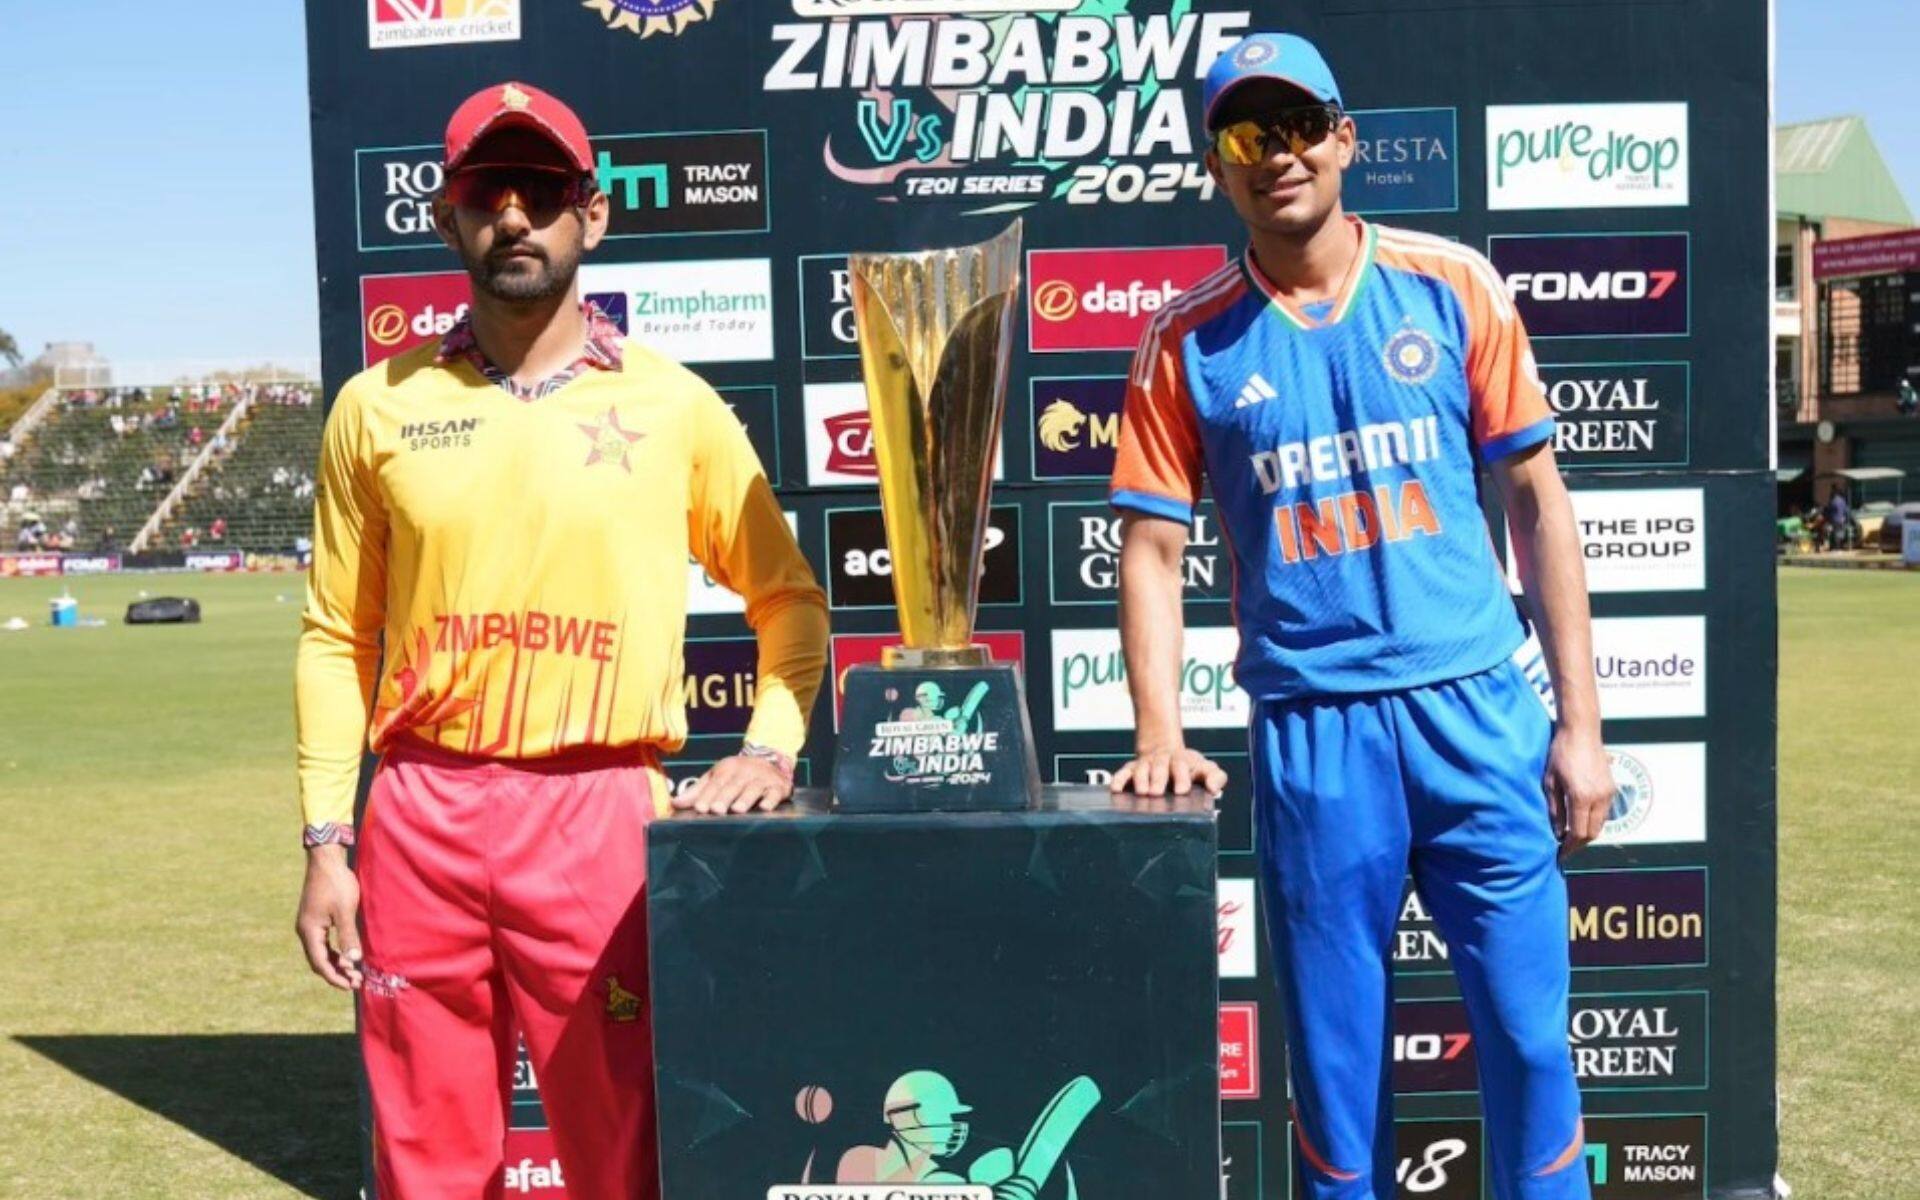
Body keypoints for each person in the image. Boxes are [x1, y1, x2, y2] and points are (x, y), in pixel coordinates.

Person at [292, 80, 829, 1200]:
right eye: (491, 190)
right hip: (421, 818)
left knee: (624, 1156)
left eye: (542, 190)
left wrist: (768, 748)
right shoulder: (374, 407)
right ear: (448, 217)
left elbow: (790, 602)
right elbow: (337, 634)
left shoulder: (673, 403)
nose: (516, 216)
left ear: (594, 213)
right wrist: (325, 839)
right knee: (427, 1167)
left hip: (602, 817)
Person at [1107, 34, 1611, 1199]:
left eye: (1295, 127)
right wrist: (1156, 730)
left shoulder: (1453, 284)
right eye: (1244, 136)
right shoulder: (1185, 340)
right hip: (1317, 734)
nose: (1274, 155)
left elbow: (1538, 505)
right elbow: (1151, 545)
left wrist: (1579, 727)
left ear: (1343, 137)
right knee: (1338, 1076)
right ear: (1217, 166)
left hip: (1479, 713)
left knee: (1535, 1046)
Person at [1824, 486, 1851, 551]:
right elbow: (1846, 510)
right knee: (1840, 533)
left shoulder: (1833, 501)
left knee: (1834, 533)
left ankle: (1835, 547)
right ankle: (1840, 546)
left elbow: (1829, 510)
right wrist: (1845, 517)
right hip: (1841, 520)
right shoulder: (1842, 501)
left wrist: (1828, 516)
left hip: (1834, 520)